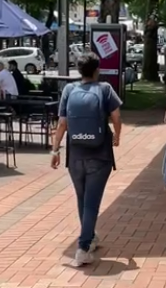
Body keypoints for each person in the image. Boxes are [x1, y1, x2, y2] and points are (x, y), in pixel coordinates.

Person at [51, 53, 122, 266]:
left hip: (75, 155)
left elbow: (62, 123)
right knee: (92, 203)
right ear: (97, 70)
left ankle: (89, 237)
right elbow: (117, 117)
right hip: (99, 156)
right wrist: (117, 135)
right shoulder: (105, 90)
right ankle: (82, 248)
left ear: (78, 70)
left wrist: (55, 150)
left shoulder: (69, 90)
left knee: (82, 200)